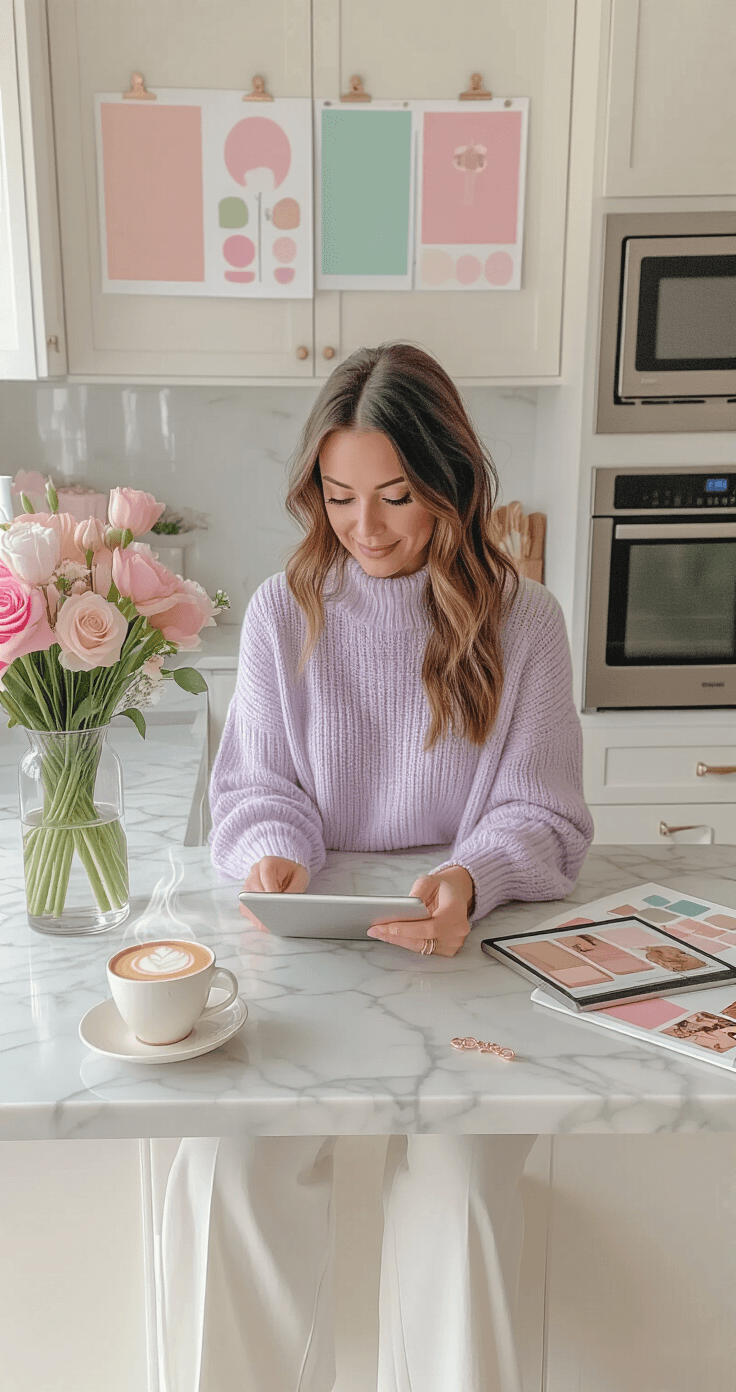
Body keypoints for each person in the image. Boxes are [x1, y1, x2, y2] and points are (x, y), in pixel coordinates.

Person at [160, 343, 594, 1392]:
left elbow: (543, 813)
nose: (365, 527)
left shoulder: (523, 621)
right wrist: (272, 855)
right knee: (229, 1168)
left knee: (463, 1193)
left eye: (396, 497)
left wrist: (470, 876)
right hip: (304, 958)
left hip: (465, 958)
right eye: (340, 496)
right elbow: (259, 787)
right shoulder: (281, 610)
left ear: (450, 482)